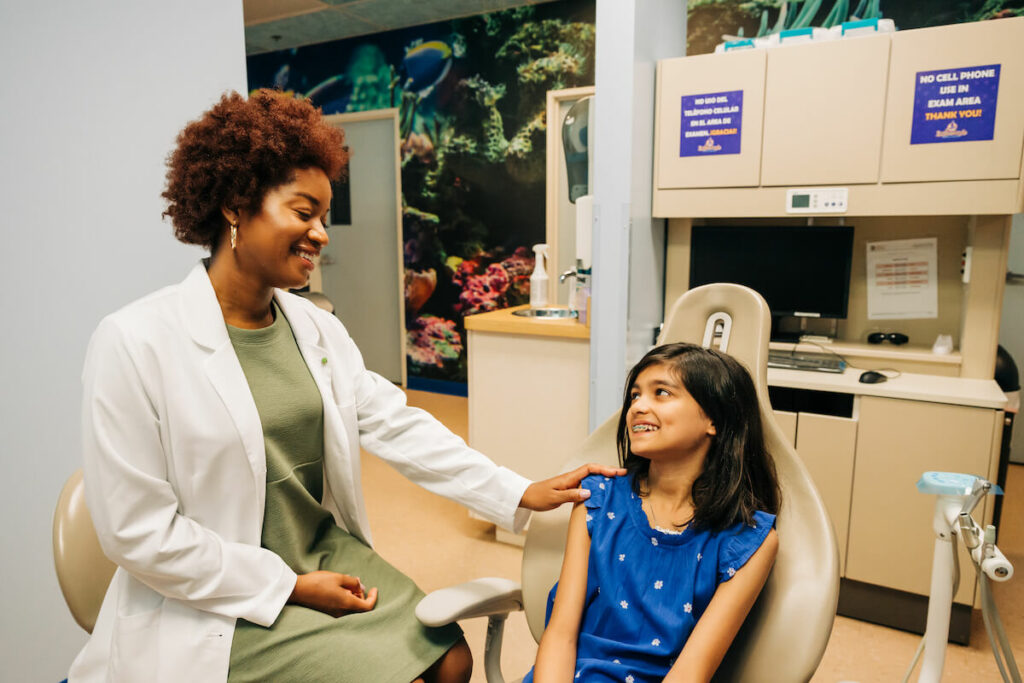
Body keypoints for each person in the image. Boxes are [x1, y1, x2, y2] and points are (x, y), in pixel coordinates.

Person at [69, 89, 623, 683]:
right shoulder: (134, 342)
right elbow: (138, 534)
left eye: (324, 216)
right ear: (236, 204)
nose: (322, 234)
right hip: (218, 593)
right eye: (303, 212)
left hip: (321, 552)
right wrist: (288, 586)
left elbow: (398, 425)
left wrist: (518, 493)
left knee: (450, 659)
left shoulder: (313, 327)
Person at [527, 343, 781, 682]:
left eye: (661, 393)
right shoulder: (597, 500)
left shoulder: (748, 540)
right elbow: (560, 635)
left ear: (714, 420)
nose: (637, 407)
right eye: (635, 395)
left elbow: (692, 673)